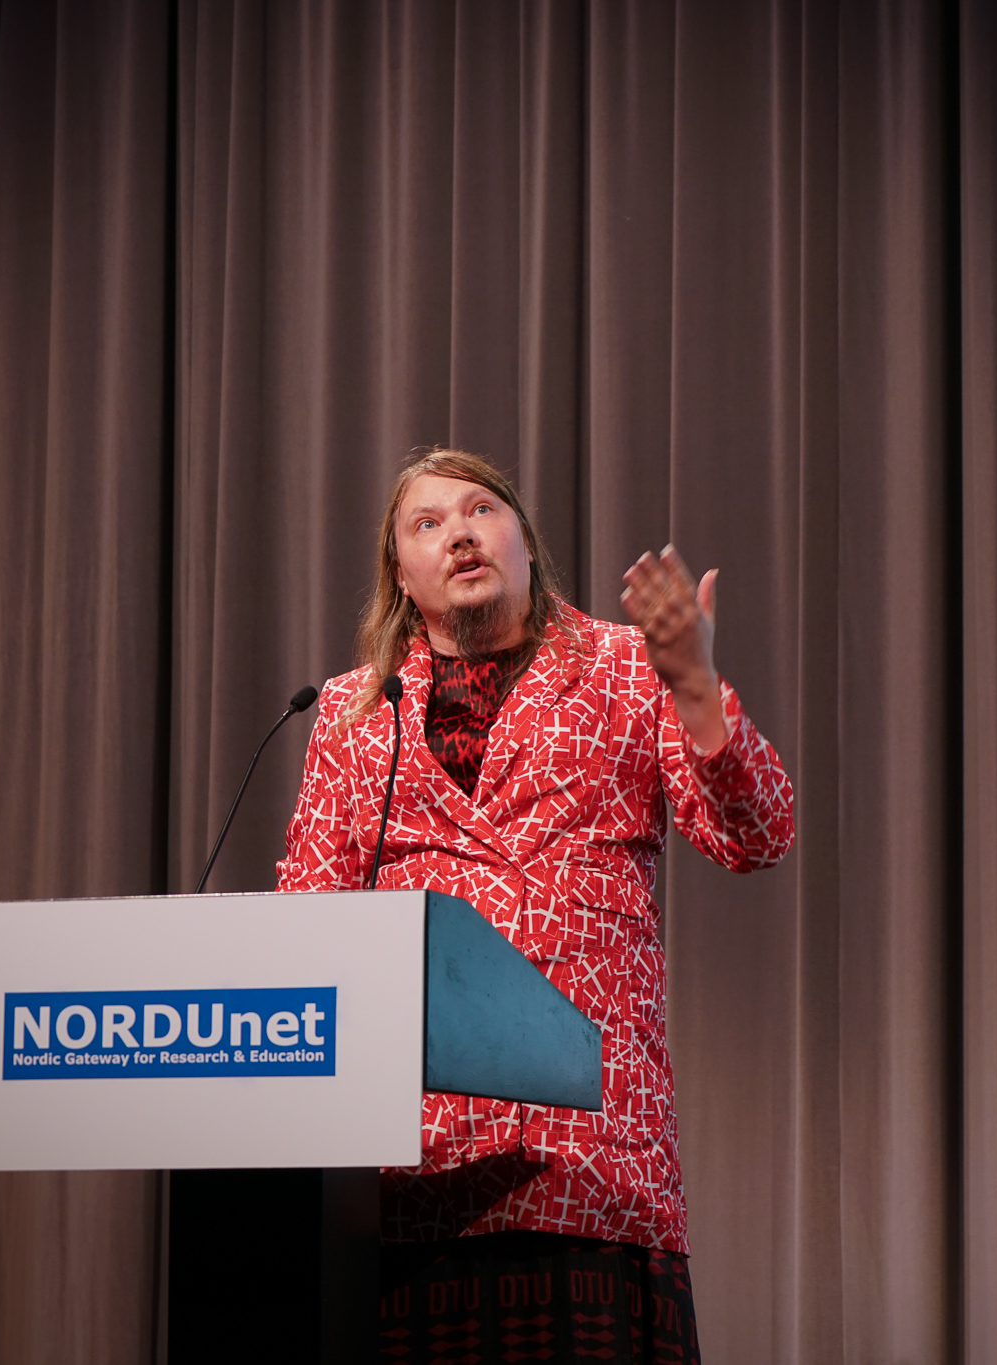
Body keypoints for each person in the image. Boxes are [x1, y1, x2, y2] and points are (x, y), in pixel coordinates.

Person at [277, 448, 794, 1363]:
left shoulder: (629, 669)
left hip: (591, 1167)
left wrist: (696, 687)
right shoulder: (354, 714)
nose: (460, 533)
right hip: (414, 1182)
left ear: (524, 540)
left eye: (481, 509)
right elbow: (303, 928)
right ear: (401, 573)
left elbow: (756, 835)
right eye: (428, 522)